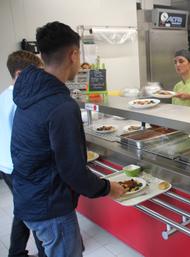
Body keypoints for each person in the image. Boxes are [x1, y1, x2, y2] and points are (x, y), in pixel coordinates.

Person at [10, 21, 126, 257]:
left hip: (28, 195)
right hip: (50, 206)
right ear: (74, 54)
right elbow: (73, 172)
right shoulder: (61, 105)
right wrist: (107, 188)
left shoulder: (29, 90)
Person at [0, 50, 46, 257]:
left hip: (5, 164)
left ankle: (16, 253)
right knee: (35, 211)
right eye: (36, 73)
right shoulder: (20, 100)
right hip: (17, 166)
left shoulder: (4, 96)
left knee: (22, 209)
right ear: (20, 74)